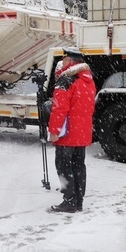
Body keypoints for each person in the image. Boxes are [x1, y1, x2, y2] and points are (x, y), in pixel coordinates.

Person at [48, 47, 96, 213]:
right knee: (78, 166)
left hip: (67, 132)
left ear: (72, 62)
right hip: (81, 131)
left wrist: (54, 130)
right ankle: (78, 201)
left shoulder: (66, 80)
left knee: (63, 166)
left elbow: (59, 108)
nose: (63, 62)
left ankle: (69, 201)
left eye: (66, 59)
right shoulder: (88, 80)